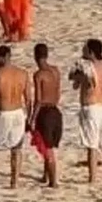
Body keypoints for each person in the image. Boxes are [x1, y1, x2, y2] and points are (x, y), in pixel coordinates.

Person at [68, 39, 102, 186]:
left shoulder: (87, 67)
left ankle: (93, 178)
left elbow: (75, 82)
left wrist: (76, 71)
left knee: (92, 145)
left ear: (91, 52)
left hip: (92, 107)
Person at [0, 45, 31, 188]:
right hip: (18, 113)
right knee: (16, 148)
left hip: (3, 112)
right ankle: (14, 182)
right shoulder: (23, 73)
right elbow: (28, 99)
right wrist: (28, 118)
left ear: (4, 57)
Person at [30, 43, 63, 187]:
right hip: (56, 110)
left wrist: (32, 118)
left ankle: (53, 181)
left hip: (45, 112)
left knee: (47, 148)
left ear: (35, 56)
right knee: (48, 144)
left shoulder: (38, 75)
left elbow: (38, 99)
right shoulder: (56, 71)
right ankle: (45, 175)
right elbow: (58, 92)